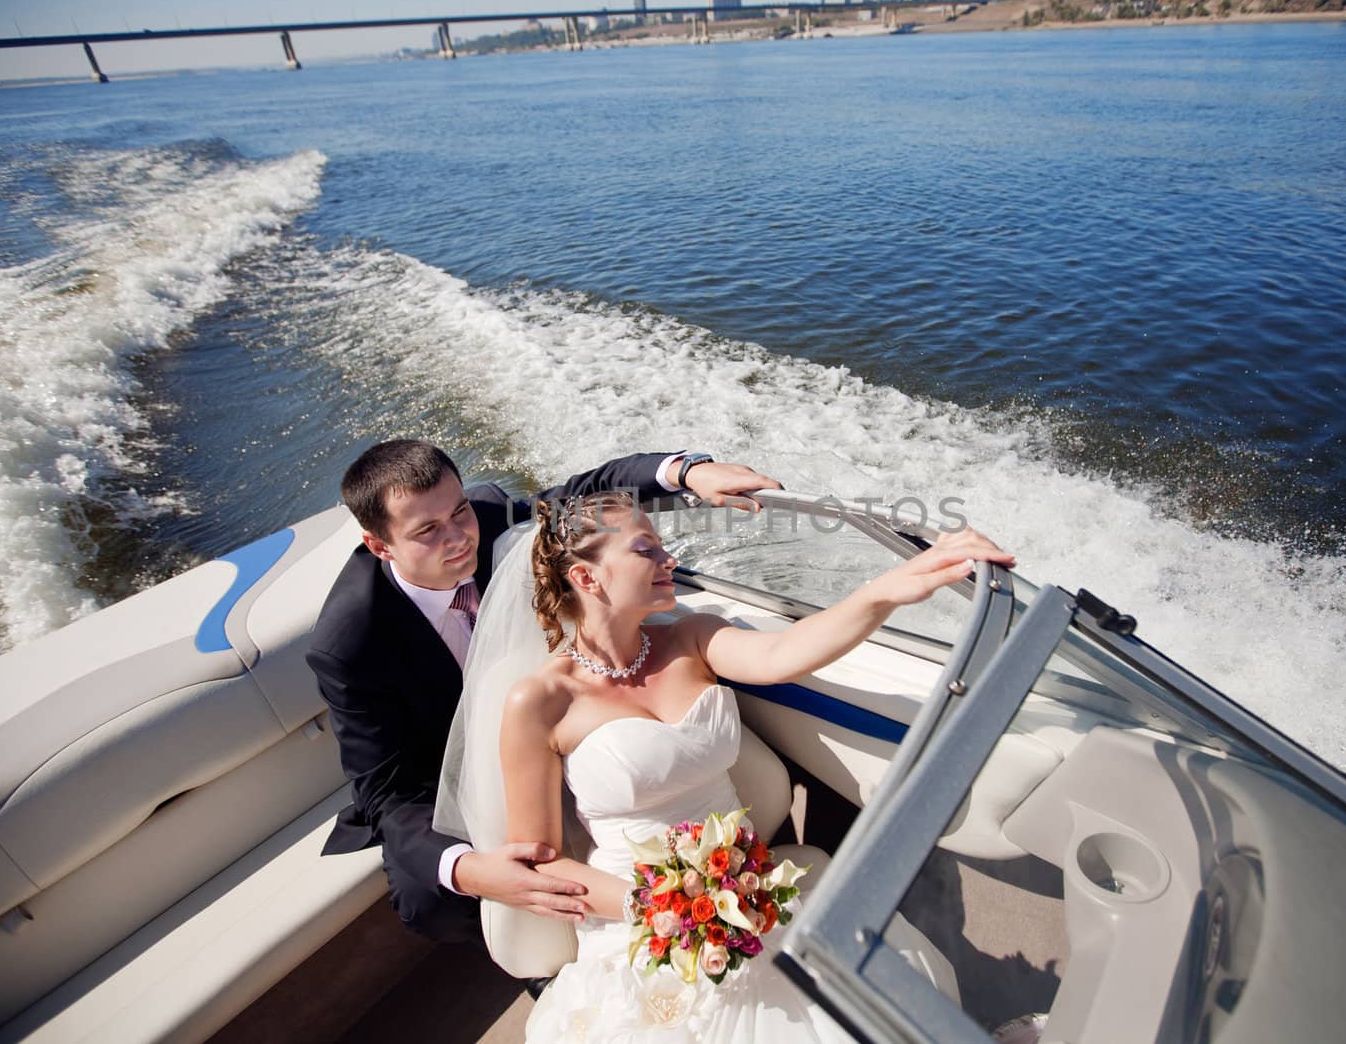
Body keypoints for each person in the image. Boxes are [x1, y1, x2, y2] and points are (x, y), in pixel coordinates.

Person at [439, 491, 1015, 1040]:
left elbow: (785, 653)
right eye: (646, 551)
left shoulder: (692, 637)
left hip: (756, 888)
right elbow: (541, 865)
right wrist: (665, 911)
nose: (670, 560)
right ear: (587, 578)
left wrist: (893, 587)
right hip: (638, 919)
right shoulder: (540, 702)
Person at [305, 441, 779, 943]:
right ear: (380, 545)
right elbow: (387, 794)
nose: (458, 538)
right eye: (427, 530)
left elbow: (586, 494)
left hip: (565, 727)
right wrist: (469, 869)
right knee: (432, 905)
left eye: (459, 511)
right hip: (445, 781)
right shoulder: (351, 643)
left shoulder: (490, 518)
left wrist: (686, 473)